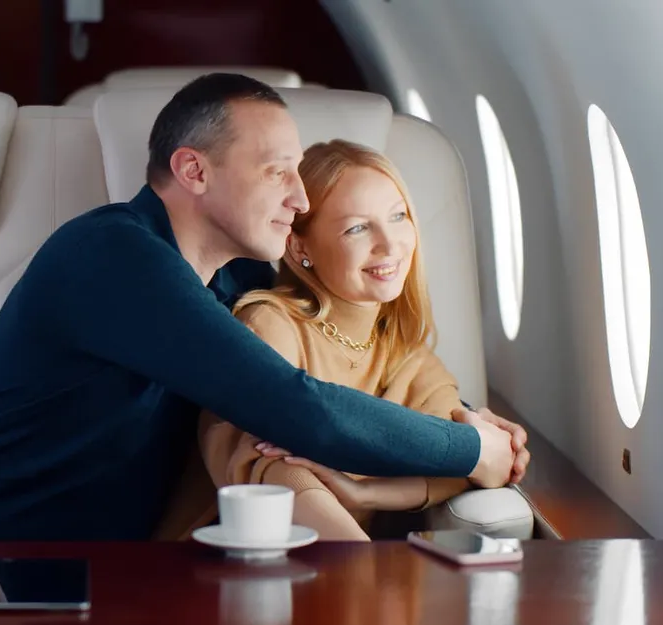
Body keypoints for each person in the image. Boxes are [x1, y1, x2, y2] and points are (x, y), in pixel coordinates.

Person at [0, 73, 527, 542]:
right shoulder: (113, 256)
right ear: (193, 171)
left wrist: (462, 412)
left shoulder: (230, 281)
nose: (300, 197)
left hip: (79, 579)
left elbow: (348, 329)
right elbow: (301, 407)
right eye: (278, 171)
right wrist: (471, 447)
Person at [190, 140, 512, 540]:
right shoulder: (270, 323)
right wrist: (362, 566)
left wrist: (368, 493)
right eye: (357, 227)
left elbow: (483, 464)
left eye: (398, 216)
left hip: (339, 570)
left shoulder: (407, 352)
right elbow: (265, 467)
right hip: (240, 552)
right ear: (298, 246)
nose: (390, 244)